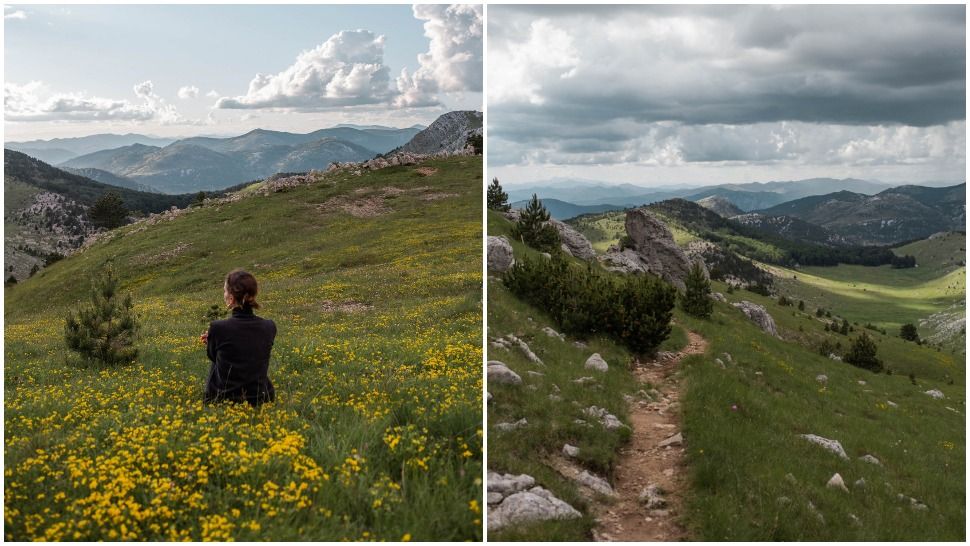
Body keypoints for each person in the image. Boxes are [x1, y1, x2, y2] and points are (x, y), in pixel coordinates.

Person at [200, 269, 277, 406]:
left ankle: (217, 397)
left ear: (231, 298)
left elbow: (213, 357)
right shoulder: (269, 326)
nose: (223, 294)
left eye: (225, 291)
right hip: (261, 398)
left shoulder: (218, 327)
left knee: (217, 362)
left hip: (224, 399)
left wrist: (214, 340)